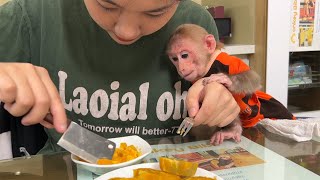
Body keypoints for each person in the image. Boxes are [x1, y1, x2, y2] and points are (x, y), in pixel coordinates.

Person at [0, 0, 239, 155]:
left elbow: (217, 111)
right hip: (69, 163)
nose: (126, 31)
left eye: (156, 11)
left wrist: (220, 103)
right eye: (106, 5)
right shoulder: (30, 15)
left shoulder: (196, 26)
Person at [166, 24, 295, 145]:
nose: (181, 68)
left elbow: (254, 81)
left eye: (184, 55)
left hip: (268, 116)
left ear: (209, 44)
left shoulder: (225, 62)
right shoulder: (198, 75)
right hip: (245, 128)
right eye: (175, 59)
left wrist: (231, 80)